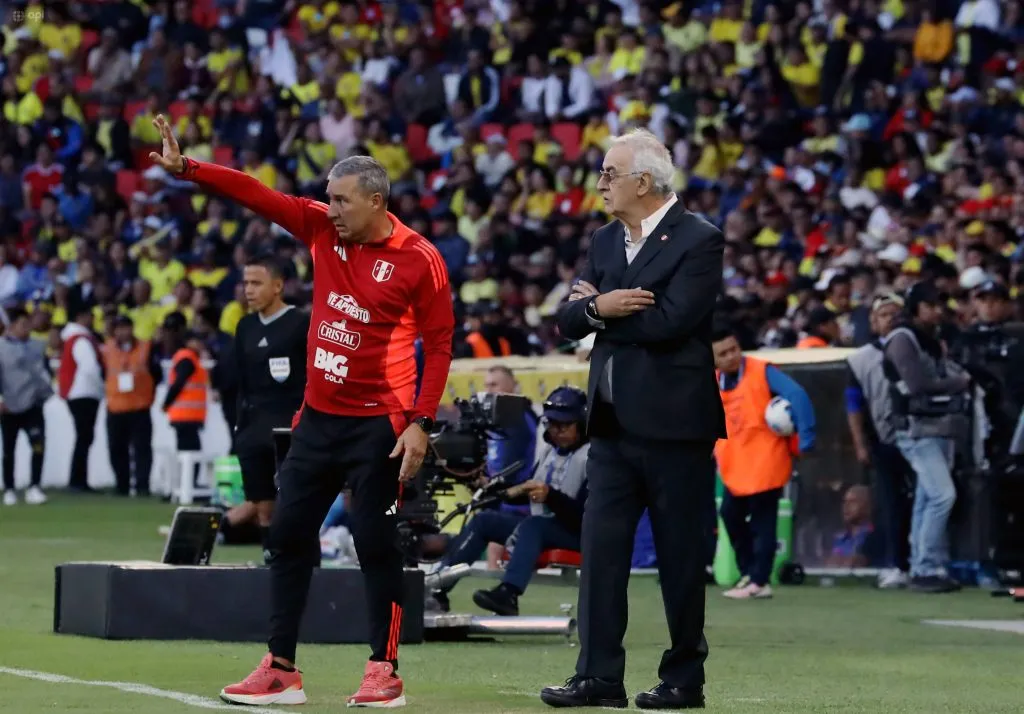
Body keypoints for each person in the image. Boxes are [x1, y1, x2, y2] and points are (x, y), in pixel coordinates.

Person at [147, 115, 454, 708]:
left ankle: (383, 669)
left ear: (376, 200)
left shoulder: (420, 260)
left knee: (374, 541)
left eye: (342, 200)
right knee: (287, 536)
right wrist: (189, 169)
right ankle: (282, 668)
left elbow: (439, 345)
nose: (330, 208)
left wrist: (421, 421)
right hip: (317, 420)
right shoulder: (321, 230)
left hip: (380, 425)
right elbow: (258, 194)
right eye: (328, 198)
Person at [546, 129, 725, 710]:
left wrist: (603, 307)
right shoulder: (603, 239)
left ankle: (683, 679)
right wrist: (600, 306)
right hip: (613, 426)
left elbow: (673, 321)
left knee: (679, 560)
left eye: (608, 173)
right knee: (599, 557)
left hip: (677, 428)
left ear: (641, 183)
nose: (599, 184)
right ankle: (598, 677)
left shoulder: (700, 239)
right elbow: (567, 319)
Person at [428, 386, 589, 615]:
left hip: (579, 533)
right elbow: (525, 493)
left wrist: (551, 497)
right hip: (543, 527)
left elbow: (587, 516)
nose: (556, 431)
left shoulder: (594, 458)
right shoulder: (549, 452)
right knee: (485, 521)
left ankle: (509, 594)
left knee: (534, 525)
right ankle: (437, 589)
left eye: (564, 425)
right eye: (551, 424)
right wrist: (489, 487)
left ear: (582, 425)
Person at [711, 321, 816, 600]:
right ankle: (750, 574)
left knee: (763, 521)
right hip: (735, 464)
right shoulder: (713, 380)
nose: (731, 356)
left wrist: (806, 436)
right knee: (730, 515)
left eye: (733, 349)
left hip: (767, 460)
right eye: (723, 353)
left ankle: (759, 581)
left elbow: (797, 395)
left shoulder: (762, 371)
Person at [882, 281, 970, 594]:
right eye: (930, 306)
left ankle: (921, 564)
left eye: (939, 306)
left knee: (927, 497)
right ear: (916, 307)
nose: (937, 312)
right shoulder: (903, 338)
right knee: (943, 495)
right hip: (915, 429)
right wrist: (960, 382)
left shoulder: (930, 338)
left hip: (936, 426)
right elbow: (918, 385)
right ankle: (927, 566)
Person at [231, 254, 310, 559]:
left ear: (277, 286)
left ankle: (300, 563)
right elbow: (242, 382)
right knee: (262, 503)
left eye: (256, 283)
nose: (248, 290)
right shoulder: (245, 327)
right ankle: (271, 559)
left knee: (294, 503)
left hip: (290, 428)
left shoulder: (300, 324)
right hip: (253, 429)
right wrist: (240, 427)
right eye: (246, 283)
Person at [845, 292, 915, 589]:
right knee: (891, 503)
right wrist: (860, 443)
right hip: (883, 440)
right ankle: (896, 563)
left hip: (919, 435)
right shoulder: (860, 359)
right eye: (884, 314)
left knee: (924, 501)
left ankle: (921, 561)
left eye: (895, 313)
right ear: (873, 322)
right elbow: (853, 405)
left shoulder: (916, 347)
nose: (891, 319)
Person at [100, 315, 162, 496]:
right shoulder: (107, 349)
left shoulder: (145, 348)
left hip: (139, 407)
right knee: (116, 449)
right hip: (115, 407)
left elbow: (155, 373)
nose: (122, 332)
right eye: (119, 328)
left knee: (142, 449)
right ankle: (122, 485)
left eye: (125, 328)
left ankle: (143, 486)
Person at [0, 308, 52, 506]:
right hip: (10, 404)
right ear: (11, 327)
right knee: (8, 449)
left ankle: (34, 486)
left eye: (28, 324)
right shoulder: (1, 347)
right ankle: (10, 489)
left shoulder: (37, 346)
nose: (27, 328)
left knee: (38, 445)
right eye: (23, 325)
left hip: (33, 403)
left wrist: (45, 392)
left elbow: (44, 370)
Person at [58, 301, 104, 492]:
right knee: (84, 437)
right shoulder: (82, 340)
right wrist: (101, 385)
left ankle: (78, 479)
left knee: (83, 437)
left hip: (77, 392)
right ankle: (78, 480)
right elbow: (90, 368)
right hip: (84, 392)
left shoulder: (73, 338)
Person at [160, 312, 209, 459]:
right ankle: (188, 482)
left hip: (187, 414)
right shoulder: (187, 358)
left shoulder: (187, 357)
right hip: (186, 414)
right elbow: (178, 383)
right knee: (189, 452)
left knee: (189, 450)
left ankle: (188, 481)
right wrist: (166, 403)